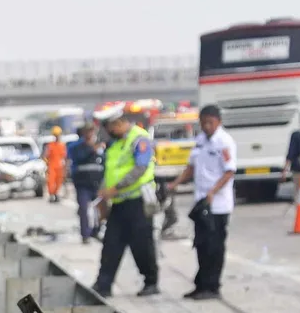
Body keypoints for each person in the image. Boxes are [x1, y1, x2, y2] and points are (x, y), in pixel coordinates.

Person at [91, 103, 159, 298]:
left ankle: (151, 282)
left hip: (138, 201)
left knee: (141, 245)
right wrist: (103, 194)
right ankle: (103, 285)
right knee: (111, 244)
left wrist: (115, 188)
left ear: (119, 123)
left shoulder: (140, 139)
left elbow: (140, 168)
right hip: (119, 203)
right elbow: (111, 171)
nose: (108, 132)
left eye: (110, 127)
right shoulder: (116, 144)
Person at [168, 105, 237, 300]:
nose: (207, 126)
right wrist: (176, 183)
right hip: (201, 202)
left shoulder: (224, 142)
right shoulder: (200, 141)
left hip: (218, 205)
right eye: (204, 122)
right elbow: (191, 167)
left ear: (218, 122)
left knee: (214, 247)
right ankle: (201, 284)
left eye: (210, 122)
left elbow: (229, 171)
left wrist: (213, 191)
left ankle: (212, 286)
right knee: (201, 244)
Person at [68, 122, 105, 243]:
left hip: (98, 183)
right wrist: (91, 150)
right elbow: (78, 158)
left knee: (100, 209)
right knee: (84, 208)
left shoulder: (100, 145)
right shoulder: (76, 147)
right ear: (83, 133)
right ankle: (85, 235)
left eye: (92, 131)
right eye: (87, 131)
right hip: (82, 184)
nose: (90, 133)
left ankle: (96, 231)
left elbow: (105, 162)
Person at [44, 126, 67, 202]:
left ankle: (56, 193)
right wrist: (46, 164)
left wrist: (66, 166)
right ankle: (51, 195)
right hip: (52, 166)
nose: (57, 137)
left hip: (60, 167)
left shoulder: (62, 145)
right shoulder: (50, 145)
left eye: (58, 135)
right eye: (56, 135)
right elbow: (46, 155)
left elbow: (65, 156)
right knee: (51, 181)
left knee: (59, 181)